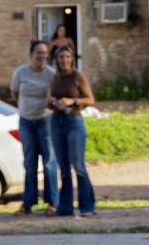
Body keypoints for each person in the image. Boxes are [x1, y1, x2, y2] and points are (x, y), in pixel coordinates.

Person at [10, 39, 59, 215]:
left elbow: (55, 96)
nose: (42, 56)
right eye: (38, 53)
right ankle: (28, 203)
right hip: (26, 121)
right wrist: (26, 108)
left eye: (44, 53)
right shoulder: (20, 73)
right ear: (31, 54)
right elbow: (14, 93)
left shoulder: (51, 74)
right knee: (29, 162)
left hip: (46, 120)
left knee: (49, 162)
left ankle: (53, 202)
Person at [47, 45, 96, 217]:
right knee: (64, 168)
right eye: (61, 57)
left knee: (78, 165)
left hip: (74, 122)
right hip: (56, 122)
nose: (64, 60)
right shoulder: (54, 78)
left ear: (72, 58)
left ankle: (87, 206)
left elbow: (90, 100)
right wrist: (53, 102)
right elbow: (48, 103)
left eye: (67, 56)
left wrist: (71, 101)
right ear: (56, 60)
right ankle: (65, 207)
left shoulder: (77, 77)